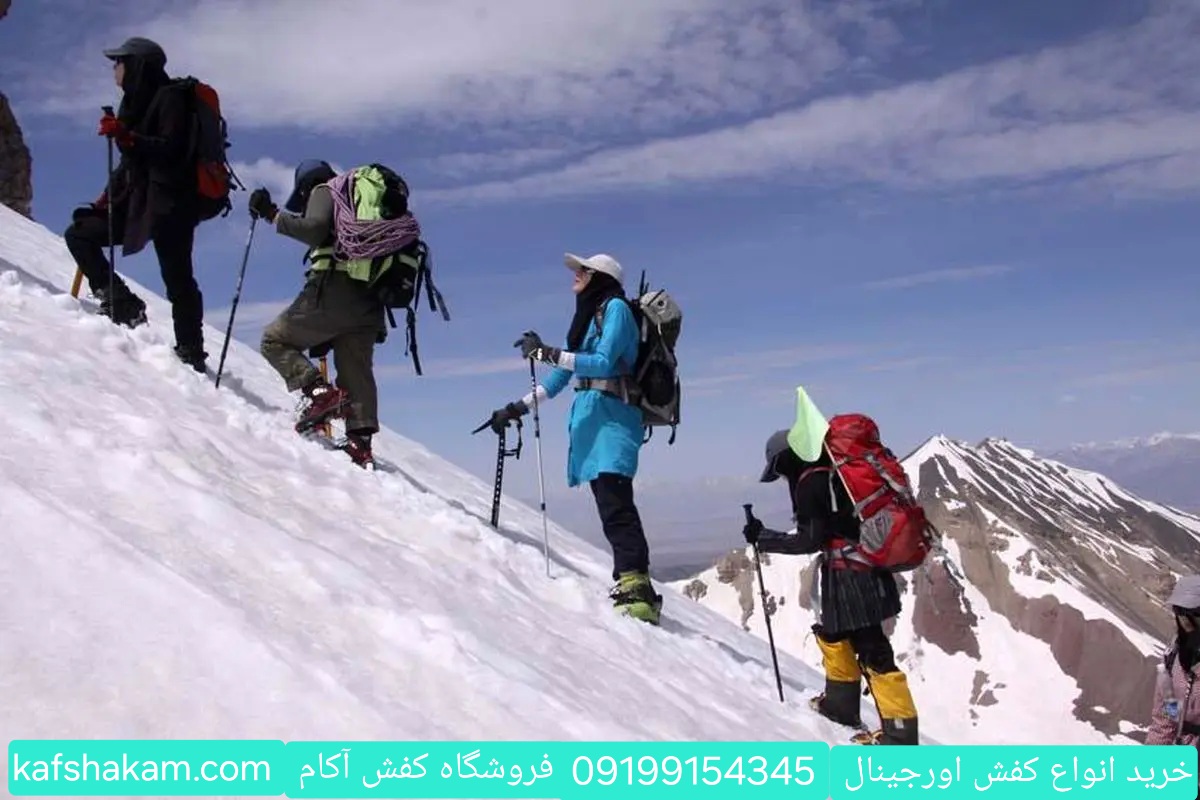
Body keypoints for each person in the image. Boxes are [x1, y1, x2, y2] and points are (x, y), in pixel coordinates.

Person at [487, 253, 662, 624]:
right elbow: (559, 379)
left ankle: (639, 589)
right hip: (595, 423)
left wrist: (547, 352)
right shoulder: (588, 320)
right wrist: (517, 408)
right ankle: (629, 581)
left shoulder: (616, 309)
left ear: (600, 277)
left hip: (614, 422)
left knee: (616, 502)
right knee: (609, 501)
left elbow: (602, 362)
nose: (576, 276)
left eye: (583, 271)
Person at [743, 429, 919, 745]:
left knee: (872, 648)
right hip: (859, 569)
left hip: (851, 573)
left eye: (779, 470)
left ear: (787, 459)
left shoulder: (811, 482)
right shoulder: (830, 473)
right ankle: (840, 706)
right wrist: (766, 536)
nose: (782, 478)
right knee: (836, 633)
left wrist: (764, 539)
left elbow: (809, 540)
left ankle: (899, 738)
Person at [63, 36, 208, 372]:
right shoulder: (133, 103)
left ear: (138, 66)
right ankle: (122, 303)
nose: (115, 68)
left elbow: (170, 149)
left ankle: (191, 351)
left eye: (120, 62)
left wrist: (127, 137)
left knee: (178, 279)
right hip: (141, 201)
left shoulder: (171, 98)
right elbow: (130, 164)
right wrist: (105, 199)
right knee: (80, 233)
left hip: (172, 204)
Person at [247, 159, 385, 469]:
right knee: (356, 370)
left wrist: (272, 215)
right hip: (370, 301)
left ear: (305, 184)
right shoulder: (360, 204)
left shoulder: (324, 189)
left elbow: (314, 229)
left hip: (333, 290)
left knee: (274, 340)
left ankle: (321, 394)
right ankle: (360, 444)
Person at [1145, 575, 1200, 764]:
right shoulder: (1173, 657)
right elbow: (1166, 719)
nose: (1185, 620)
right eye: (1180, 611)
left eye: (1193, 612)